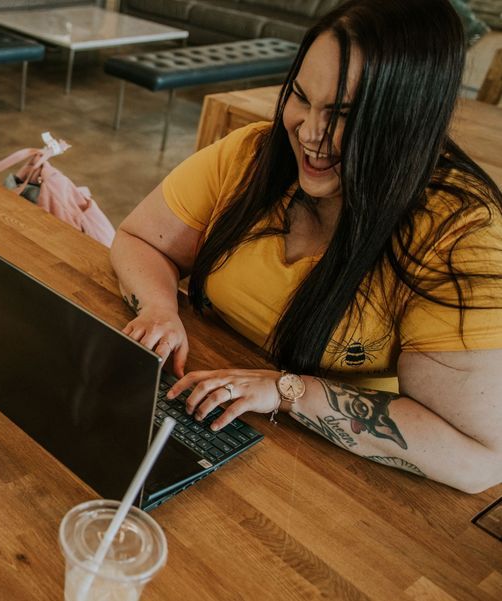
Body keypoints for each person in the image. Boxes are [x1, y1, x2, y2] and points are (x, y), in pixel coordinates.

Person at [111, 0, 502, 494]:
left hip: (334, 479)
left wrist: (287, 390)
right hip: (211, 411)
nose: (309, 133)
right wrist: (159, 305)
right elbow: (140, 238)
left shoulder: (460, 235)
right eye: (300, 96)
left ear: (410, 121)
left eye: (342, 114)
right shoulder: (253, 153)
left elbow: (479, 460)